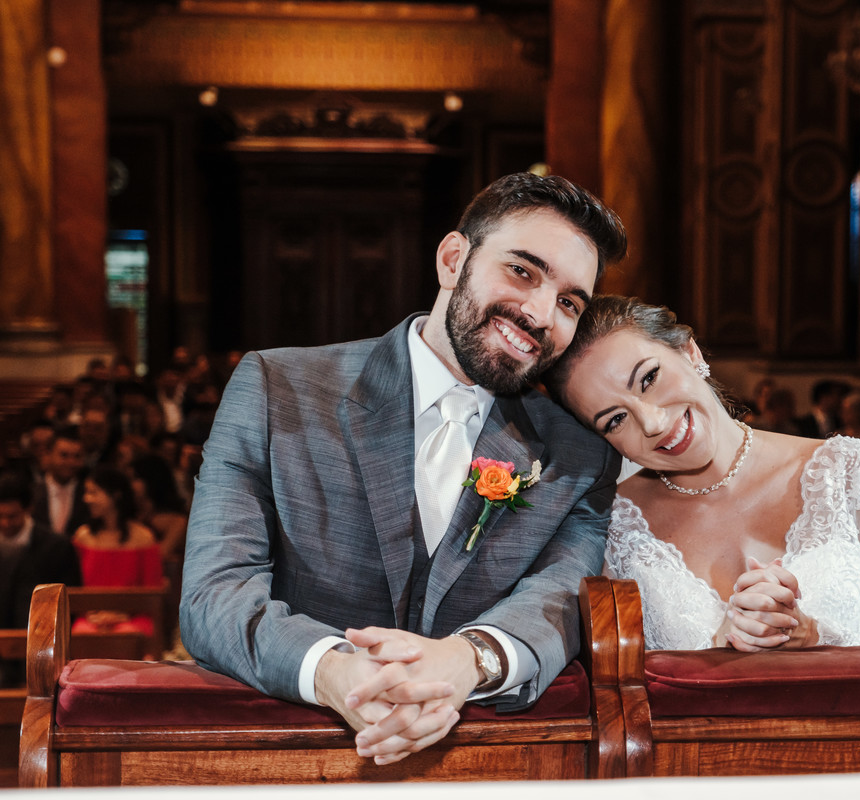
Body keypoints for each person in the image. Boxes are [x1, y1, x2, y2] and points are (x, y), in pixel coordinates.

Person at [180, 172, 627, 765]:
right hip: (290, 756)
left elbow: (560, 599)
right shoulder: (276, 389)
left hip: (488, 765)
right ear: (452, 260)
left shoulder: (581, 454)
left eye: (569, 302)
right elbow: (214, 594)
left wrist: (466, 661)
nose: (541, 313)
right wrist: (335, 672)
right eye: (522, 271)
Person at [543, 296, 860, 652]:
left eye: (649, 378)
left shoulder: (846, 469)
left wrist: (814, 637)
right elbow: (619, 684)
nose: (653, 423)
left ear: (690, 352)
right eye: (615, 420)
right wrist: (721, 647)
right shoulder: (611, 527)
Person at [0, 474, 81, 686]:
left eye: (12, 516)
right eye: (0, 516)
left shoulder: (57, 547)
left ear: (28, 509)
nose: (5, 523)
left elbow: (70, 604)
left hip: (43, 651)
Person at [71, 465, 163, 640]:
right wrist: (94, 614)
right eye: (87, 492)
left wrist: (121, 615)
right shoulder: (83, 537)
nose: (87, 499)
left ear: (116, 495)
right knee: (81, 633)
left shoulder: (144, 537)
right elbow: (74, 587)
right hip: (91, 618)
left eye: (94, 492)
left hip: (133, 618)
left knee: (131, 634)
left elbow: (152, 591)